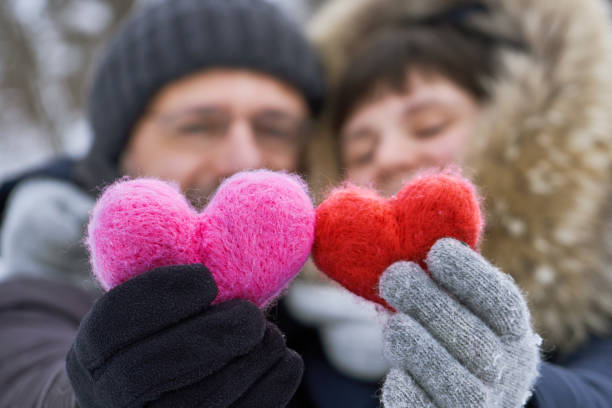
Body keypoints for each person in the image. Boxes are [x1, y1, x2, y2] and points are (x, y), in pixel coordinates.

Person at [0, 0, 326, 406]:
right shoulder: (42, 279)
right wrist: (90, 396)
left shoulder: (329, 308)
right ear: (123, 149)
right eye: (198, 126)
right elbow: (22, 372)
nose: (243, 159)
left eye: (274, 129)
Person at [303, 0, 612, 406]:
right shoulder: (294, 342)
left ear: (516, 132)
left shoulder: (599, 295)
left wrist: (524, 395)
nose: (390, 156)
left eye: (428, 126)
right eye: (362, 152)